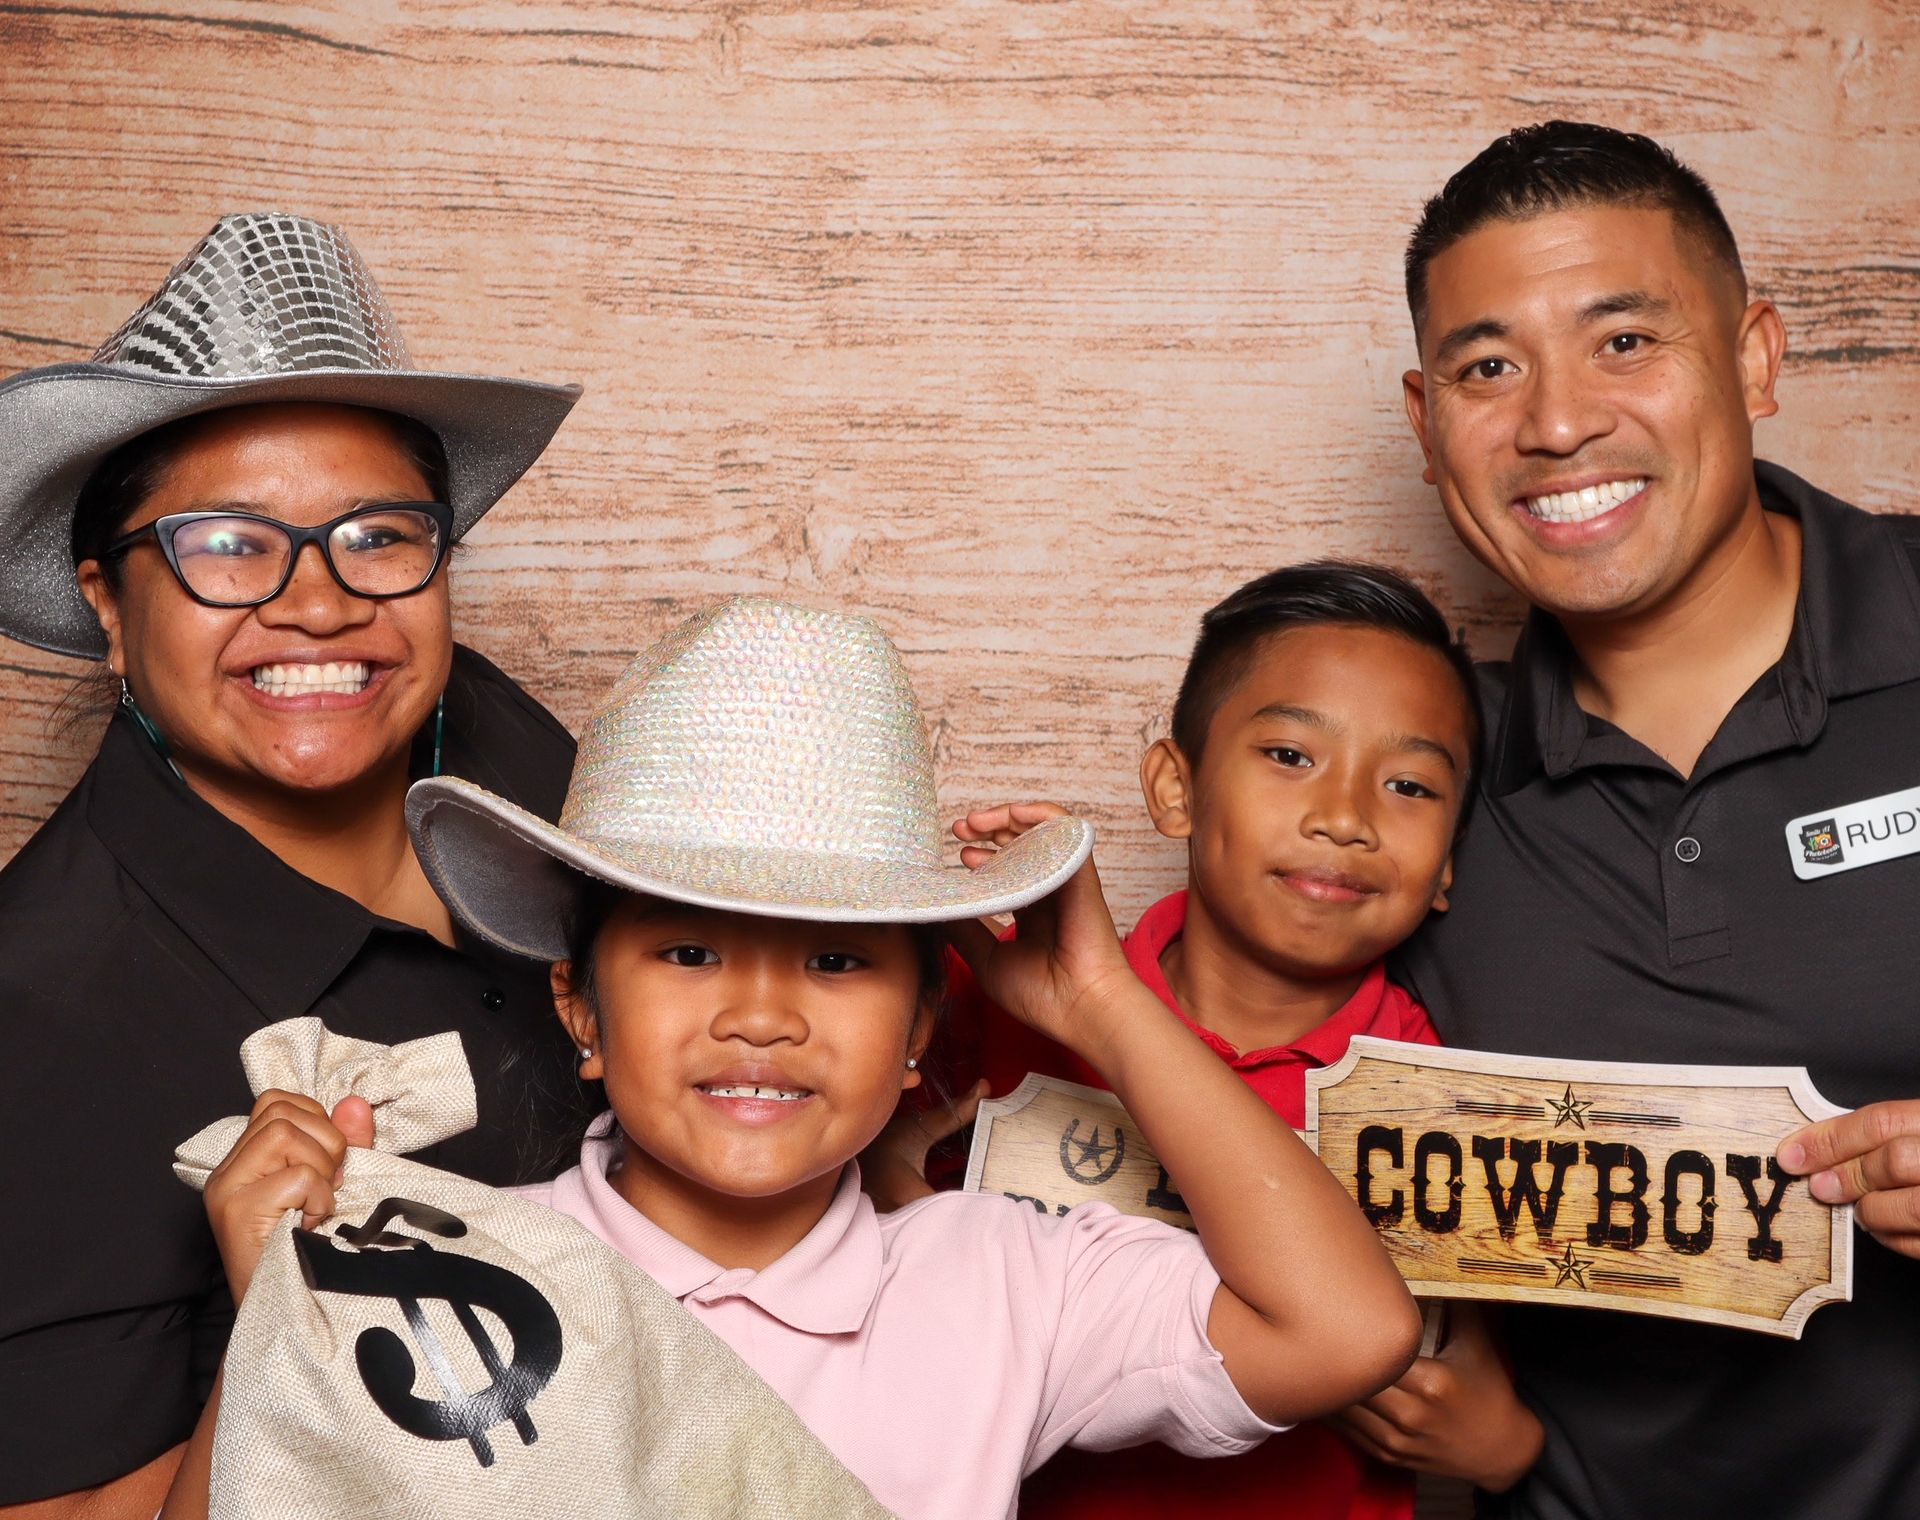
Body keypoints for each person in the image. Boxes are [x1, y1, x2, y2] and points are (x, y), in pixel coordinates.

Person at [178, 594, 1424, 1520]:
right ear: (582, 1012)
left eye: (835, 961)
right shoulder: (459, 1265)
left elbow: (1346, 1329)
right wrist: (284, 1321)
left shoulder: (999, 1282)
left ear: (920, 1027)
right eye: (688, 954)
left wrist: (1098, 997)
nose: (763, 1014)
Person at [0, 215, 588, 1515]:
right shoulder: (37, 1023)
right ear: (107, 601)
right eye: (226, 544)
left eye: (378, 536)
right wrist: (279, 1318)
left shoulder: (497, 738)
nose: (319, 604)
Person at [1390, 121, 1920, 1517]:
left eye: (1624, 340)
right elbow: (1236, 1074)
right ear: (1425, 418)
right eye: (1488, 367)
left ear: (1755, 355)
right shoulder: (1411, 772)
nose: (1557, 420)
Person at [872, 562, 1541, 1517]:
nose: (1343, 818)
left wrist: (1505, 1447)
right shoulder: (1004, 1003)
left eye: (1407, 785)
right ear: (1175, 790)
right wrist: (897, 1216)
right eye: (1290, 757)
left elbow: (1489, 1331)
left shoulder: (1452, 1093)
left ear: (1447, 868)